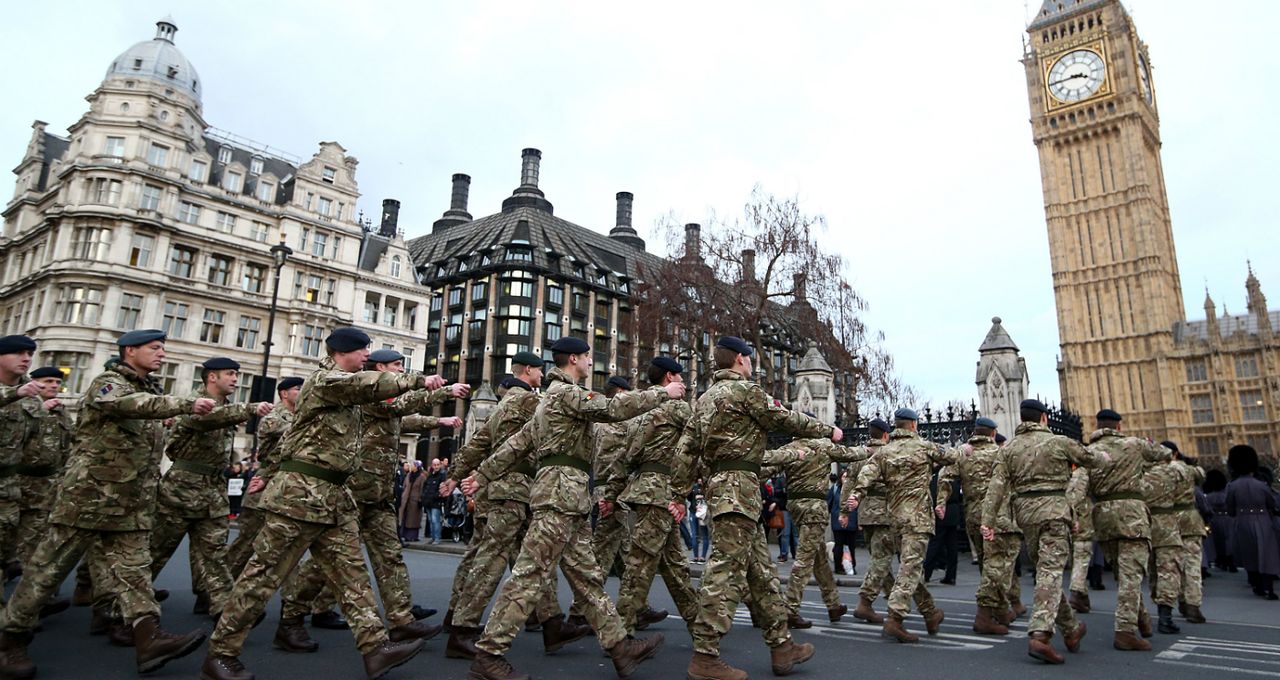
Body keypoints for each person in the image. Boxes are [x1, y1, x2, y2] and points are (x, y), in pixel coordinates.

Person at [201, 327, 439, 680]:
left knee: (352, 575)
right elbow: (370, 386)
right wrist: (419, 381)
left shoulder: (350, 389)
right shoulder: (325, 381)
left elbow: (389, 407)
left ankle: (375, 648)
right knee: (262, 576)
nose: (367, 359)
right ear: (345, 352)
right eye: (363, 353)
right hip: (301, 494)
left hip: (335, 498)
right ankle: (221, 653)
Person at [461, 336, 682, 680]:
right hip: (559, 496)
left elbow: (519, 443)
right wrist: (660, 395)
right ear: (575, 359)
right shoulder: (566, 394)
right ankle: (488, 654)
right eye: (587, 357)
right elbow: (611, 409)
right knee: (530, 575)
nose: (590, 361)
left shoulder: (549, 400)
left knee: (589, 579)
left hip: (570, 497)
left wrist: (482, 474)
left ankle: (620, 647)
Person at [0, 330, 213, 678]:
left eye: (163, 348)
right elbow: (126, 405)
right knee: (45, 572)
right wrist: (185, 403)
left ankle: (149, 638)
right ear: (130, 350)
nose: (161, 353)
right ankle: (10, 640)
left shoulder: (150, 389)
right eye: (154, 348)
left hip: (129, 503)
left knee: (134, 573)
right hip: (88, 499)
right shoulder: (108, 382)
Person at [270, 346, 462, 654]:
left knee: (390, 556)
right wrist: (438, 391)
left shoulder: (386, 400)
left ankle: (401, 621)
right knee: (328, 563)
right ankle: (292, 615)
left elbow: (404, 419)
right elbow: (396, 408)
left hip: (379, 493)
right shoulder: (367, 397)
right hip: (354, 493)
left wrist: (438, 421)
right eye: (397, 365)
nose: (401, 369)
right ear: (380, 369)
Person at [674, 335, 839, 680]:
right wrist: (828, 431)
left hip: (727, 492)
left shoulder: (703, 401)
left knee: (762, 576)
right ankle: (705, 656)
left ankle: (781, 646)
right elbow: (786, 418)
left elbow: (686, 450)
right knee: (724, 573)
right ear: (740, 360)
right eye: (749, 358)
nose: (752, 364)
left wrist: (678, 494)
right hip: (739, 492)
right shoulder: (745, 392)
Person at [443, 356, 584, 661]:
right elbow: (567, 411)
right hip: (514, 490)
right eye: (538, 370)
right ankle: (463, 631)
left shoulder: (500, 406)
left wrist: (454, 476)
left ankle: (552, 624)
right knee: (492, 561)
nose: (542, 375)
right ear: (530, 371)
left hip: (513, 491)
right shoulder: (528, 402)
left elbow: (477, 445)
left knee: (534, 561)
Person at [982, 399, 1106, 664]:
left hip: (1025, 516)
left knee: (1045, 573)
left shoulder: (1008, 449)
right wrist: (1106, 453)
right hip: (1054, 513)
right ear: (1043, 419)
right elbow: (1092, 459)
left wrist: (988, 520)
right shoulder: (1058, 442)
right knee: (1050, 572)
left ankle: (1071, 628)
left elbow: (996, 486)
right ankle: (1041, 635)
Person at [149, 356, 271, 622]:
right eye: (229, 374)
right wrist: (251, 409)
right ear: (212, 377)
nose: (235, 379)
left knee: (214, 552)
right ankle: (121, 607)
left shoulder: (225, 406)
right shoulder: (197, 403)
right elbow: (209, 419)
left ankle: (222, 606)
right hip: (181, 489)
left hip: (213, 490)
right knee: (157, 551)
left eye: (237, 374)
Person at [606, 357, 700, 638]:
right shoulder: (675, 408)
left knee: (675, 565)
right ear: (670, 377)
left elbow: (623, 458)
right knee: (641, 564)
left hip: (645, 491)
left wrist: (611, 494)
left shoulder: (637, 412)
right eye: (681, 378)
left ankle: (700, 625)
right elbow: (699, 440)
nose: (684, 384)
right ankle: (621, 632)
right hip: (661, 492)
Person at [848, 408, 957, 644]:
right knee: (911, 567)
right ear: (914, 425)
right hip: (917, 518)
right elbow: (952, 456)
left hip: (894, 519)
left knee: (910, 566)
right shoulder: (925, 447)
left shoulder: (883, 453)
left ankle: (930, 613)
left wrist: (856, 495)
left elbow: (866, 474)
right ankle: (895, 618)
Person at [762, 424, 868, 628]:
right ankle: (790, 608)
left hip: (795, 506)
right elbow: (850, 454)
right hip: (814, 507)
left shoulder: (790, 449)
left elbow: (767, 468)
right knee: (804, 559)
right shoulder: (823, 446)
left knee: (818, 556)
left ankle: (833, 604)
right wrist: (869, 449)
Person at [1082, 408, 1169, 651]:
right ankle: (1125, 631)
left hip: (1103, 515)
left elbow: (1079, 485)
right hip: (1131, 514)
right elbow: (1164, 454)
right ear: (1118, 426)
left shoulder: (1089, 450)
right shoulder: (1134, 444)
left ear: (1098, 426)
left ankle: (1141, 619)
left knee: (1124, 574)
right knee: (1132, 575)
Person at [937, 417, 1022, 635]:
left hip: (973, 515)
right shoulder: (1001, 453)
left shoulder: (965, 454)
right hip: (999, 517)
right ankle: (984, 615)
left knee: (987, 564)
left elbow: (944, 477)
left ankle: (1001, 610)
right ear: (993, 434)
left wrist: (941, 502)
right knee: (999, 567)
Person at [226, 377, 302, 579]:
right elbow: (294, 436)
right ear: (284, 393)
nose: (302, 392)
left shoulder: (299, 417)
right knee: (246, 543)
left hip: (287, 484)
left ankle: (292, 601)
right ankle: (217, 588)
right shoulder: (274, 418)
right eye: (297, 389)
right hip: (265, 484)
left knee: (288, 544)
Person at [14, 367, 74, 572]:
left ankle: (32, 595)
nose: (54, 386)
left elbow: (68, 444)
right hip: (17, 480)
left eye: (57, 382)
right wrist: (41, 411)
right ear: (34, 383)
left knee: (38, 536)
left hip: (46, 484)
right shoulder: (19, 404)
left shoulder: (61, 411)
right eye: (48, 381)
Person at [841, 418, 893, 624]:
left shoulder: (860, 455)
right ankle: (866, 601)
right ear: (886, 434)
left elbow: (848, 485)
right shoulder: (889, 453)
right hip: (885, 513)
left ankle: (893, 599)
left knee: (880, 557)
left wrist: (844, 511)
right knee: (882, 558)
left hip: (865, 513)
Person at [1226, 444, 1280, 600]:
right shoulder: (1261, 485)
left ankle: (1257, 585)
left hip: (1242, 520)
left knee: (1250, 554)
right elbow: (1272, 504)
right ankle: (1269, 588)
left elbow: (1230, 507)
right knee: (1267, 553)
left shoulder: (1233, 486)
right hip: (1263, 519)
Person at [1166, 441, 1208, 623]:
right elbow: (1201, 474)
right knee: (1192, 564)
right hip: (1190, 518)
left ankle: (1180, 600)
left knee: (1174, 564)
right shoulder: (1190, 470)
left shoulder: (1159, 472)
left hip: (1169, 520)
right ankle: (1193, 605)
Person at [1204, 469, 1234, 572]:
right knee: (1228, 540)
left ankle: (1220, 560)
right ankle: (1229, 560)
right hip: (1228, 518)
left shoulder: (1209, 497)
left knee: (1217, 541)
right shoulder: (1227, 493)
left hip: (1214, 519)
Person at [829, 472, 857, 576]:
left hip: (852, 521)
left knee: (851, 546)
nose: (845, 479)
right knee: (838, 546)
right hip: (838, 522)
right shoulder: (835, 489)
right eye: (844, 476)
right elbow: (829, 504)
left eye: (847, 477)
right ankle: (838, 567)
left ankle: (851, 566)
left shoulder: (855, 490)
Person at [422, 458, 448, 544]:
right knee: (430, 520)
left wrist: (436, 496)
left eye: (437, 465)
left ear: (440, 465)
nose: (436, 466)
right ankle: (433, 537)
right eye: (434, 465)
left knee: (435, 520)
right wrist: (424, 497)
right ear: (432, 466)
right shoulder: (430, 475)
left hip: (436, 502)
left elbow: (442, 488)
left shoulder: (442, 475)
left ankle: (437, 538)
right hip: (428, 501)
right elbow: (426, 487)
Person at [398, 462, 425, 543]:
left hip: (415, 500)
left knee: (413, 520)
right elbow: (404, 486)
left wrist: (420, 499)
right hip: (406, 499)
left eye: (413, 465)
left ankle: (412, 536)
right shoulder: (409, 475)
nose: (412, 467)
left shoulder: (421, 477)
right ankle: (404, 535)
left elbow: (422, 489)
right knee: (404, 518)